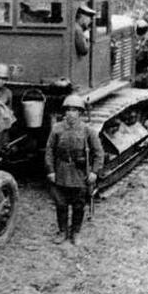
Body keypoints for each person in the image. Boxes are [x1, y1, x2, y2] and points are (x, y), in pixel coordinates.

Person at [44, 95, 104, 246]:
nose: (70, 113)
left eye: (74, 110)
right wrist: (50, 170)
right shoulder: (57, 128)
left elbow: (99, 153)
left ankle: (76, 232)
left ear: (80, 113)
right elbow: (49, 151)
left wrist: (94, 172)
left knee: (78, 205)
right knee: (61, 204)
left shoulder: (87, 130)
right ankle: (62, 231)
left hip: (79, 174)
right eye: (68, 110)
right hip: (61, 171)